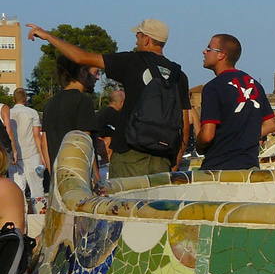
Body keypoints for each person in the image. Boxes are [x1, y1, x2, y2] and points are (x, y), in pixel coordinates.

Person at [27, 19, 190, 177]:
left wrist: (48, 36)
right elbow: (184, 126)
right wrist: (174, 164)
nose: (136, 43)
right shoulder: (178, 75)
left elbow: (81, 58)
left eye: (138, 37)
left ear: (146, 39)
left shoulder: (133, 61)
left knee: (126, 204)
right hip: (163, 158)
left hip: (130, 154)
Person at [196, 34, 275, 170]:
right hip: (250, 167)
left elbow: (207, 135)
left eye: (209, 49)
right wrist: (245, 138)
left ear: (221, 55)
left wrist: (199, 145)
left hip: (219, 168)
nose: (204, 52)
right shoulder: (255, 85)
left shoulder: (213, 87)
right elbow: (271, 125)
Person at [39, 57, 103, 180]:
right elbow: (85, 141)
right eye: (95, 73)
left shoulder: (50, 104)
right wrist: (97, 179)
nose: (98, 78)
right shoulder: (83, 101)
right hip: (80, 177)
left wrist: (53, 176)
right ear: (83, 72)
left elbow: (44, 143)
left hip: (59, 176)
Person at [1, 88, 45, 213]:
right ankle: (40, 218)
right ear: (26, 99)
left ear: (14, 99)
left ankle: (20, 218)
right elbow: (37, 135)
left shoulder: (10, 112)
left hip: (14, 155)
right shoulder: (32, 113)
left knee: (18, 189)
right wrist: (42, 156)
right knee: (37, 189)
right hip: (31, 154)